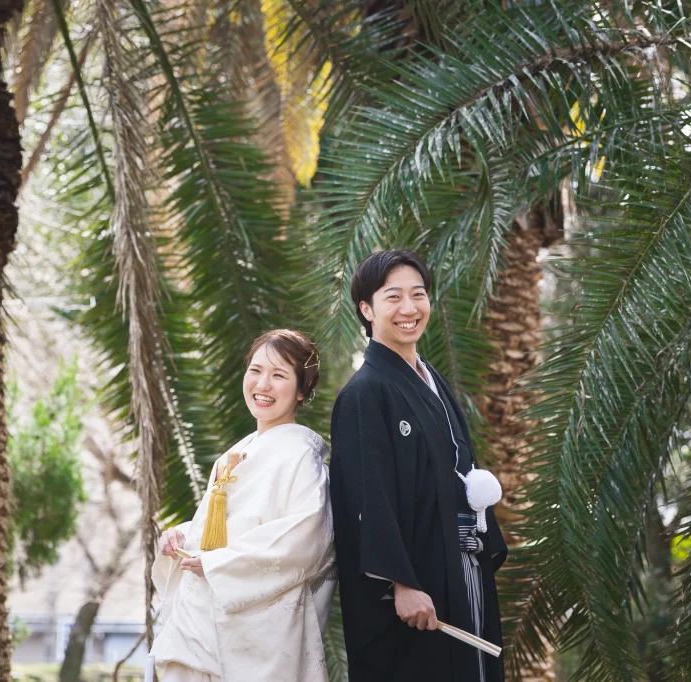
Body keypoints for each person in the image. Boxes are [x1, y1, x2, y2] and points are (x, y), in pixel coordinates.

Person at [329, 249, 508, 682]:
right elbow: (366, 497)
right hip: (415, 584)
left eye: (419, 294)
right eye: (393, 297)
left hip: (460, 565)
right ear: (366, 309)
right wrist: (401, 583)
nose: (409, 309)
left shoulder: (432, 379)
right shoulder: (364, 393)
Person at [151, 329, 337, 682]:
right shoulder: (236, 452)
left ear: (302, 390)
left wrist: (218, 564)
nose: (262, 384)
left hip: (260, 636)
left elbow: (305, 541)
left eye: (279, 375)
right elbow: (227, 526)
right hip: (202, 619)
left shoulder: (301, 457)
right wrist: (184, 536)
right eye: (256, 370)